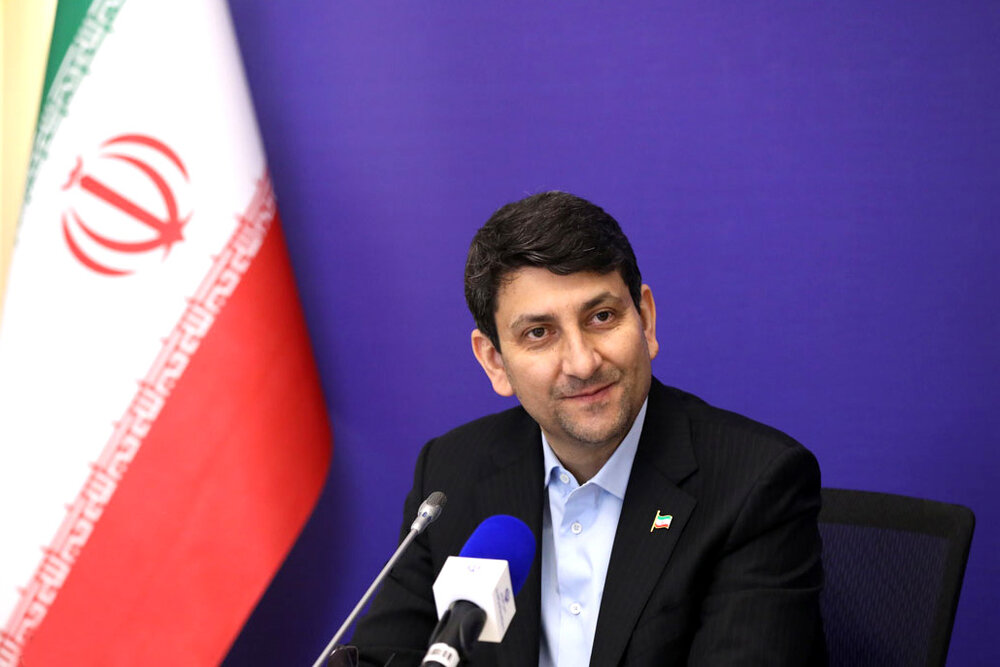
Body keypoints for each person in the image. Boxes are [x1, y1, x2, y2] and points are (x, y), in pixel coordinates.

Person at [351, 191, 826, 666]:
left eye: (601, 317)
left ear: (645, 320)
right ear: (494, 361)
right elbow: (383, 654)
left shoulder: (753, 484)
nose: (582, 363)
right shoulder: (451, 474)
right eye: (539, 333)